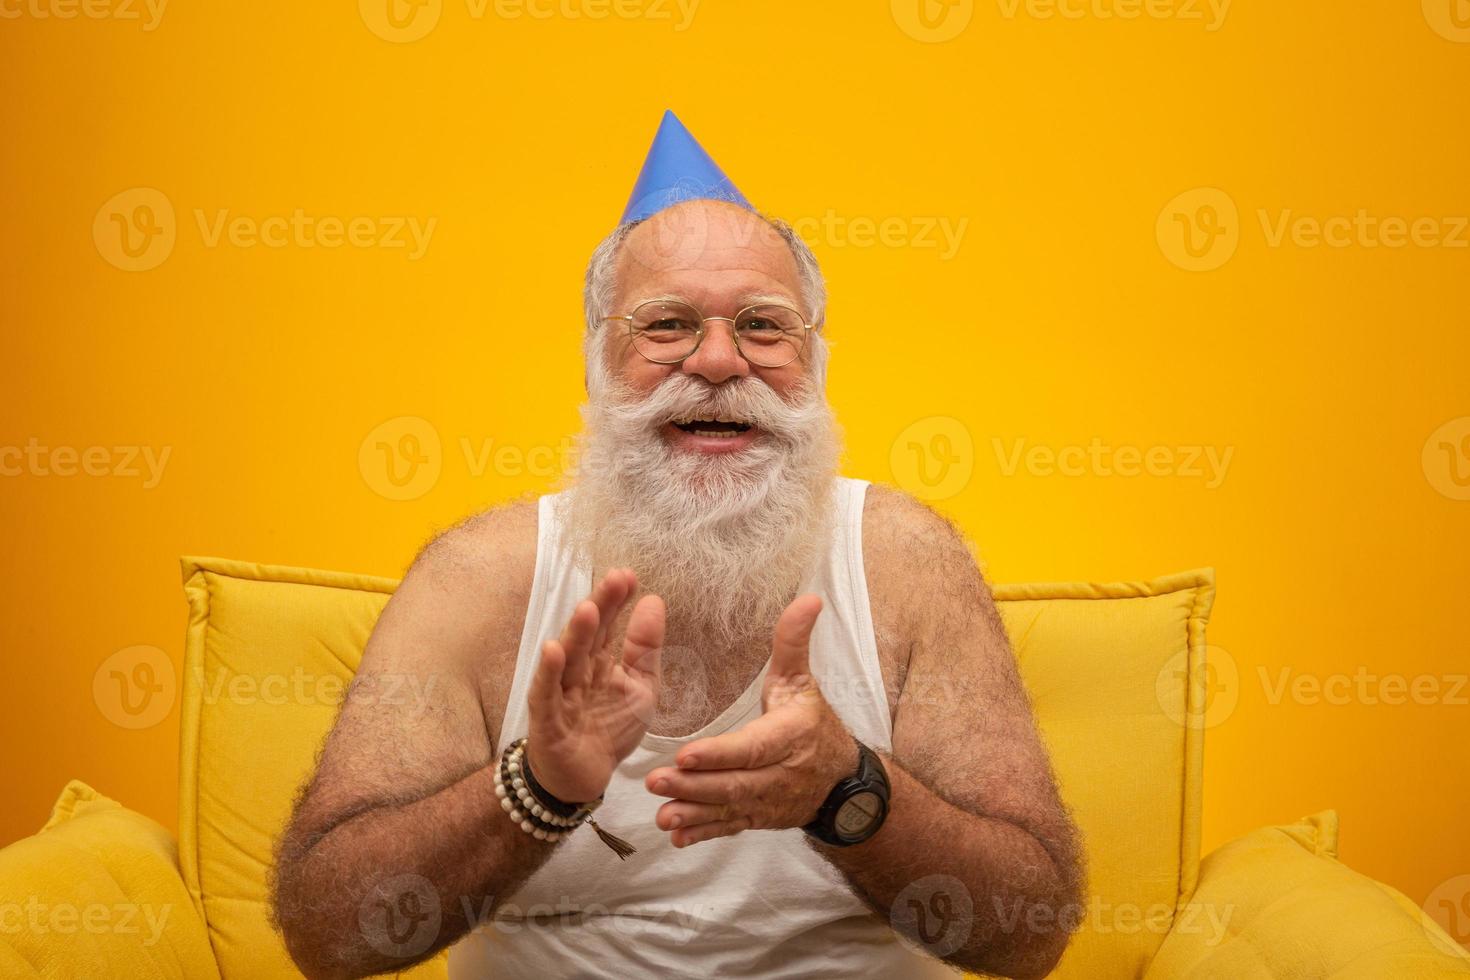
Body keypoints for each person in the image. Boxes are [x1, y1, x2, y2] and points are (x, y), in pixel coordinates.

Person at [271, 110, 1083, 980]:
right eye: (665, 325)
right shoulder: (477, 577)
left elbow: (1028, 932)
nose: (722, 361)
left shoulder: (906, 560)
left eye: (766, 326)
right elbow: (330, 934)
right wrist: (535, 791)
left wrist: (847, 788)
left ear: (816, 364)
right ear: (593, 364)